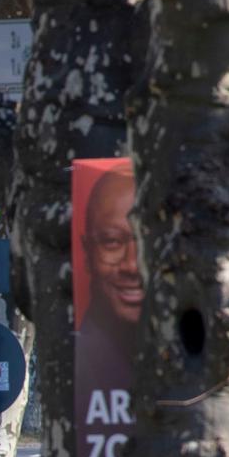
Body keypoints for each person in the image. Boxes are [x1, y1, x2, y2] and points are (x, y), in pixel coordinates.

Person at [74, 164, 141, 418]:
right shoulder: (84, 366)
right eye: (112, 241)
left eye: (145, 238)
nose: (132, 265)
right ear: (88, 251)